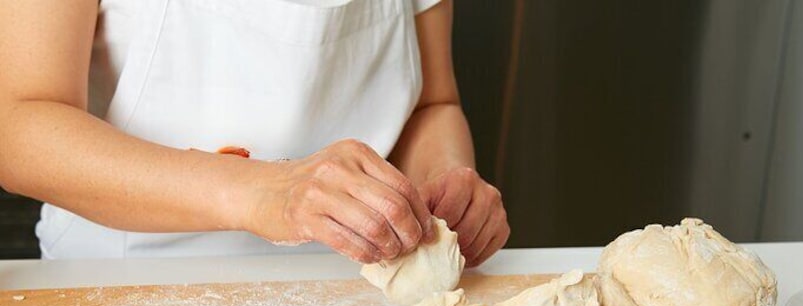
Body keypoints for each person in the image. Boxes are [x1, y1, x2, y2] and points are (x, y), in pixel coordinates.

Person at [0, 0, 509, 267]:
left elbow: (430, 104)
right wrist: (263, 191)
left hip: (354, 292)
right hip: (126, 285)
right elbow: (20, 127)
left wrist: (445, 177)